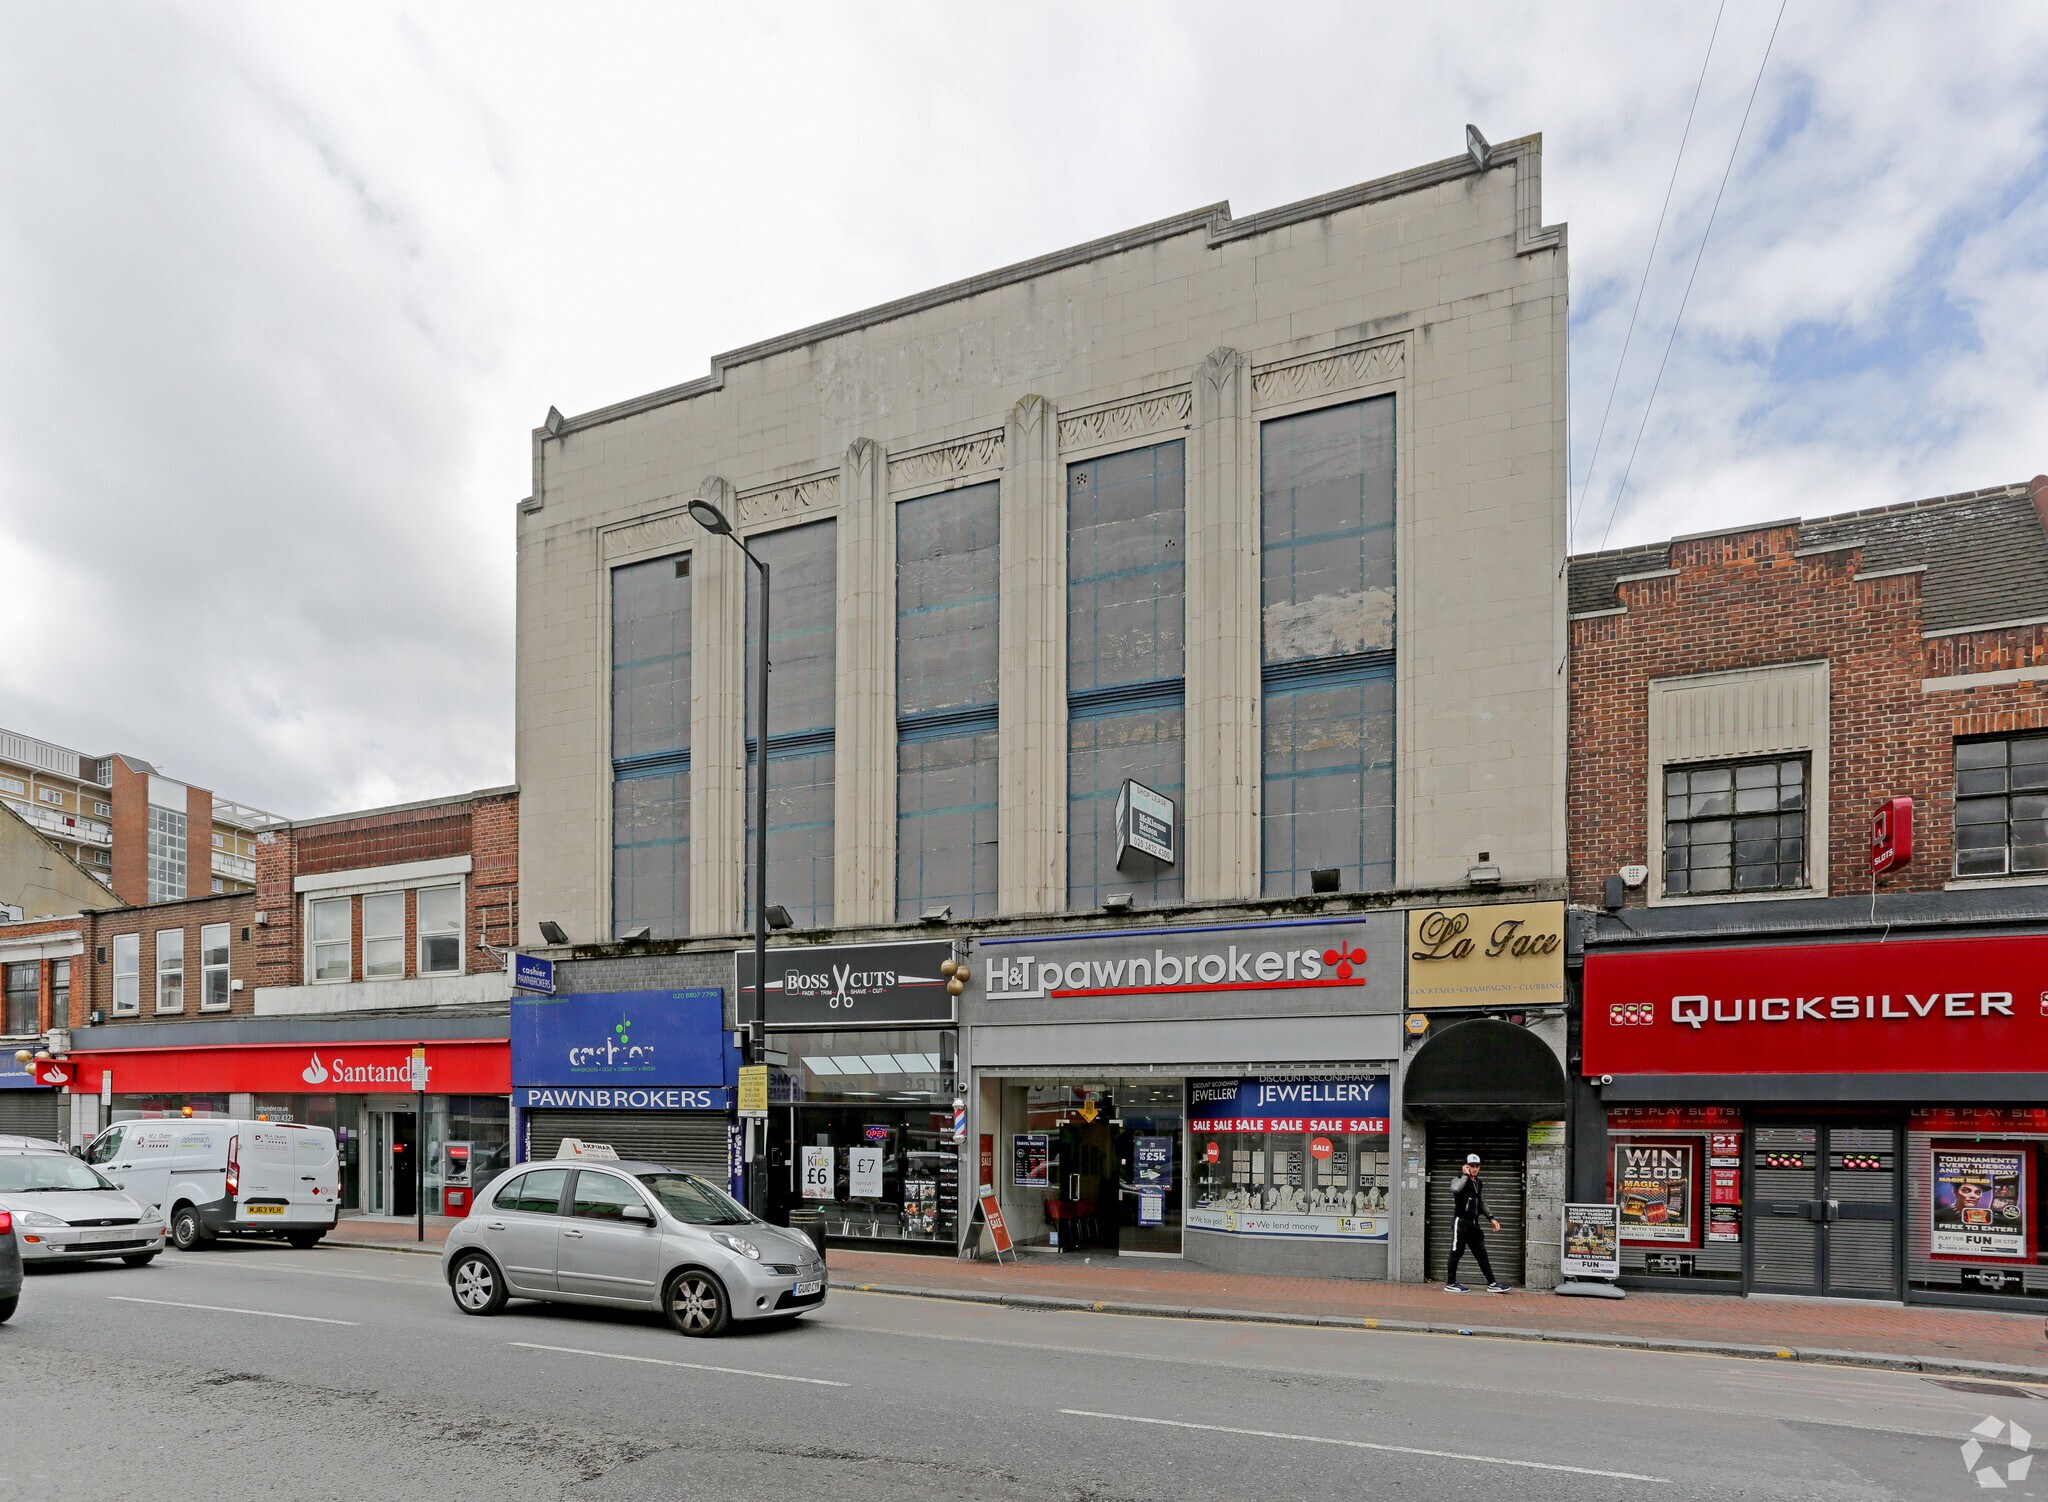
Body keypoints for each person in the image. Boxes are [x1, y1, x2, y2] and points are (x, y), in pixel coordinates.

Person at [1446, 1153, 1508, 1293]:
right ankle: (1450, 1282)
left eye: (1477, 1166)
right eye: (1471, 1166)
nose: (1474, 1169)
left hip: (1474, 1224)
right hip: (1461, 1222)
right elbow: (1455, 1189)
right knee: (1456, 1252)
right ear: (1466, 1166)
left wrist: (1491, 1218)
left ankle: (1492, 1283)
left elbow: (1481, 1202)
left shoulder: (1478, 1183)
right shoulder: (1458, 1179)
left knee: (1481, 1253)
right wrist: (1465, 1175)